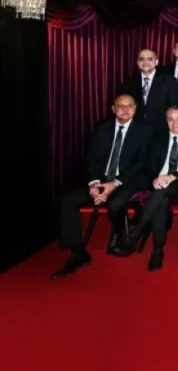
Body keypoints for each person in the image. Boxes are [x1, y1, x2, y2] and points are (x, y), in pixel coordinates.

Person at [51, 94, 152, 279]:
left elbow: (142, 164)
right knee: (68, 201)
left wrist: (113, 184)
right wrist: (94, 184)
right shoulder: (102, 128)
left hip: (128, 180)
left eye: (130, 105)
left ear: (135, 109)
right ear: (113, 109)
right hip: (101, 180)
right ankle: (78, 252)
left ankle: (118, 233)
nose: (125, 109)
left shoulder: (144, 130)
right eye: (120, 105)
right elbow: (92, 159)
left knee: (116, 203)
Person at [116, 105, 178, 271]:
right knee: (161, 201)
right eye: (170, 119)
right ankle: (157, 250)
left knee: (160, 195)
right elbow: (146, 164)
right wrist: (154, 179)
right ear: (166, 121)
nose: (174, 123)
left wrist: (172, 177)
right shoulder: (157, 138)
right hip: (158, 184)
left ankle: (136, 233)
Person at [119, 49, 178, 134]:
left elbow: (175, 106)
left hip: (161, 130)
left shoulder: (169, 81)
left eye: (149, 59)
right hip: (136, 129)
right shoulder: (129, 82)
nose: (145, 62)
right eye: (141, 59)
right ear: (137, 62)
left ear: (156, 62)